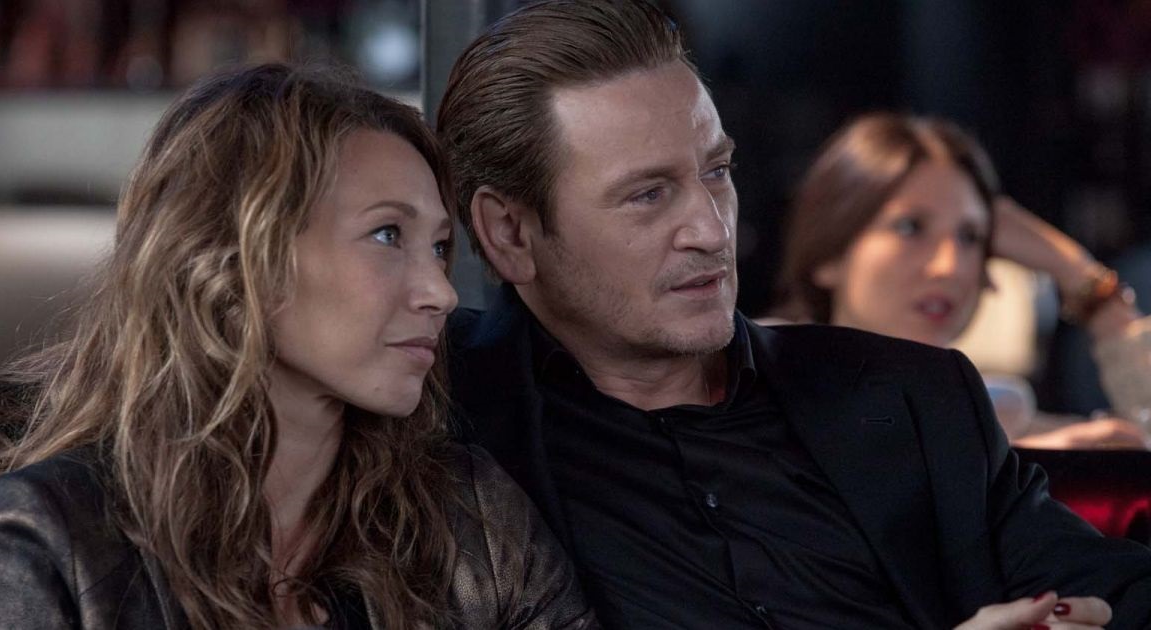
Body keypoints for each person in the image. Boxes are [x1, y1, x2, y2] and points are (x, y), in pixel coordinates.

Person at [435, 1, 1151, 628]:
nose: (713, 229)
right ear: (510, 234)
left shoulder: (915, 400)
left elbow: (1119, 594)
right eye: (648, 195)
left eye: (717, 173)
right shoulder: (437, 419)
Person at [0, 63, 596, 630]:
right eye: (387, 235)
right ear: (237, 259)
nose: (442, 293)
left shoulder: (473, 521)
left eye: (438, 247)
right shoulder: (57, 530)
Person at [773, 112, 1151, 450]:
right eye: (910, 227)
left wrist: (1079, 274)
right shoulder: (763, 383)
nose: (949, 266)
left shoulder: (1002, 417)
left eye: (970, 237)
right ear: (829, 255)